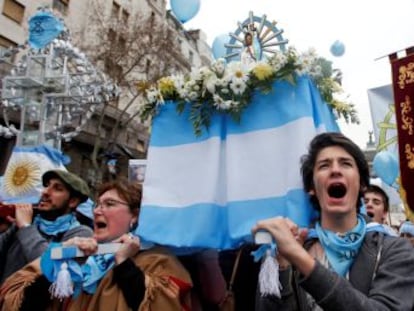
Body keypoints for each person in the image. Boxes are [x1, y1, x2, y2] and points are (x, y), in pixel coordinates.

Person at [253, 132, 414, 310]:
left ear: (361, 184)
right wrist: (283, 264)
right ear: (312, 187)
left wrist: (302, 261)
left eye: (345, 163)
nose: (335, 170)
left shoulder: (395, 249)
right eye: (324, 165)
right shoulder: (290, 247)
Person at [0, 178, 192, 311]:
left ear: (135, 215)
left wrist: (124, 264)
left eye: (109, 204)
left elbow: (162, 305)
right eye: (98, 205)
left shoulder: (157, 259)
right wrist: (57, 265)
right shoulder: (80, 251)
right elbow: (17, 302)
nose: (98, 211)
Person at [0, 169, 93, 283]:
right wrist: (3, 229)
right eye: (47, 186)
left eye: (57, 188)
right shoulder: (28, 222)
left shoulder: (81, 234)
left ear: (72, 201)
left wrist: (25, 227)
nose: (45, 192)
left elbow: (47, 265)